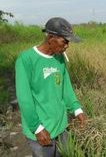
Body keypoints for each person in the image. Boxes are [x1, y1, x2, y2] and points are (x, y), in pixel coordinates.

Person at [15, 17, 87, 157]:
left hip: (61, 127)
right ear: (51, 38)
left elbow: (66, 88)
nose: (67, 45)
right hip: (41, 130)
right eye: (64, 41)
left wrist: (77, 110)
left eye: (68, 42)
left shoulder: (59, 59)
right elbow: (24, 99)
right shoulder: (26, 59)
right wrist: (37, 128)